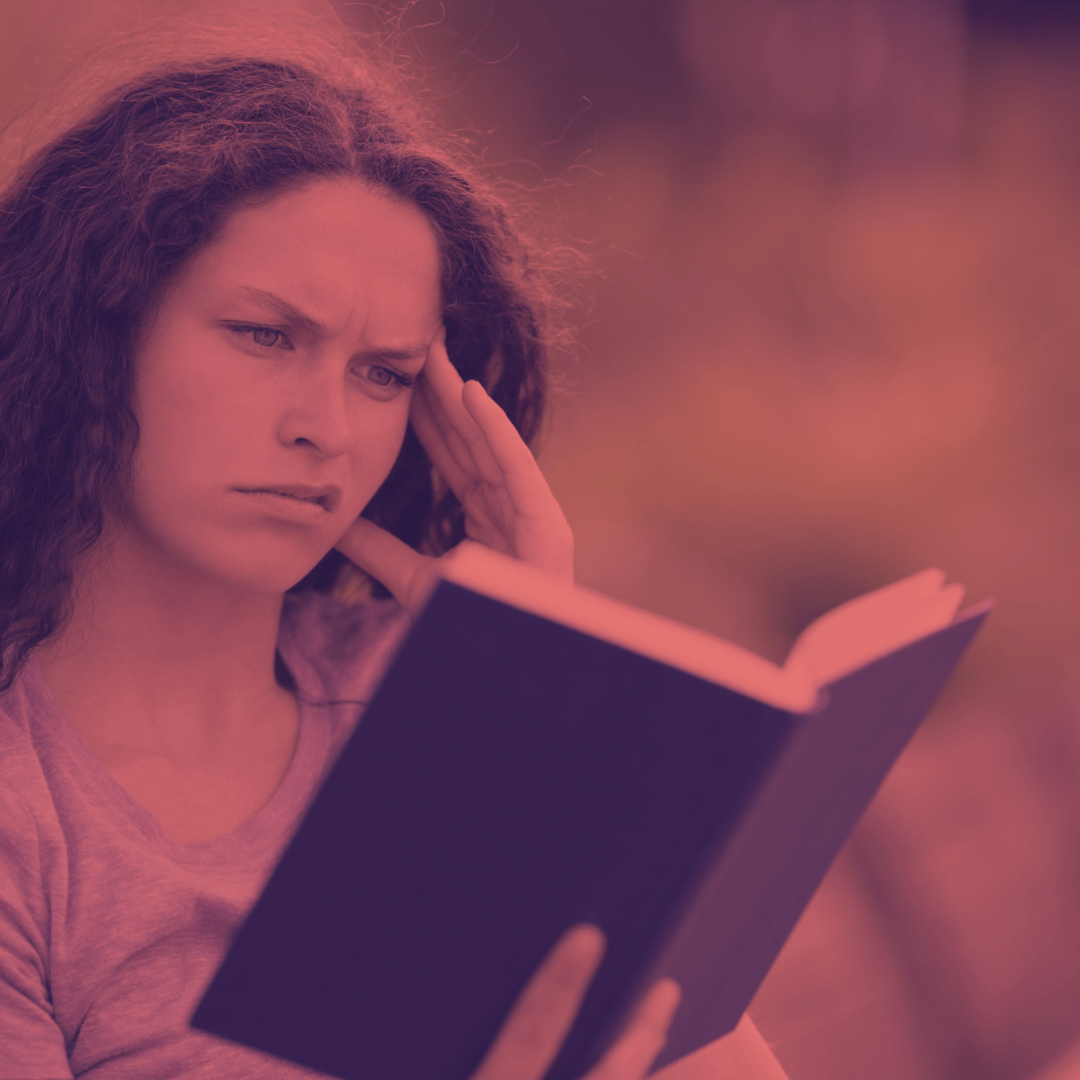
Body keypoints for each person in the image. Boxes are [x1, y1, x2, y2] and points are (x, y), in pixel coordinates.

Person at [0, 20, 790, 1080]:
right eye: (266, 335)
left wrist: (539, 670)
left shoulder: (437, 698)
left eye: (382, 374)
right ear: (96, 330)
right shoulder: (27, 811)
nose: (326, 426)